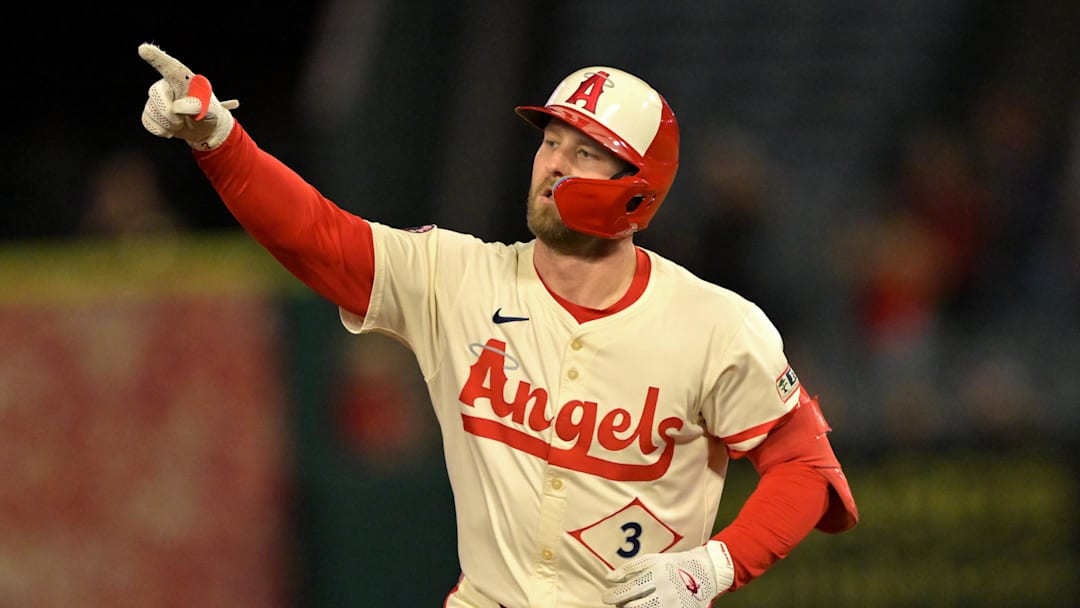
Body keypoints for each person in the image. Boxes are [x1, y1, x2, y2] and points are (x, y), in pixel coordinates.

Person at [138, 42, 858, 608]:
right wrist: (219, 139)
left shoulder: (715, 325)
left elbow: (808, 470)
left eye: (585, 152)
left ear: (637, 191)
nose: (553, 164)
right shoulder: (459, 278)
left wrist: (716, 566)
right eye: (550, 142)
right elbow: (317, 236)